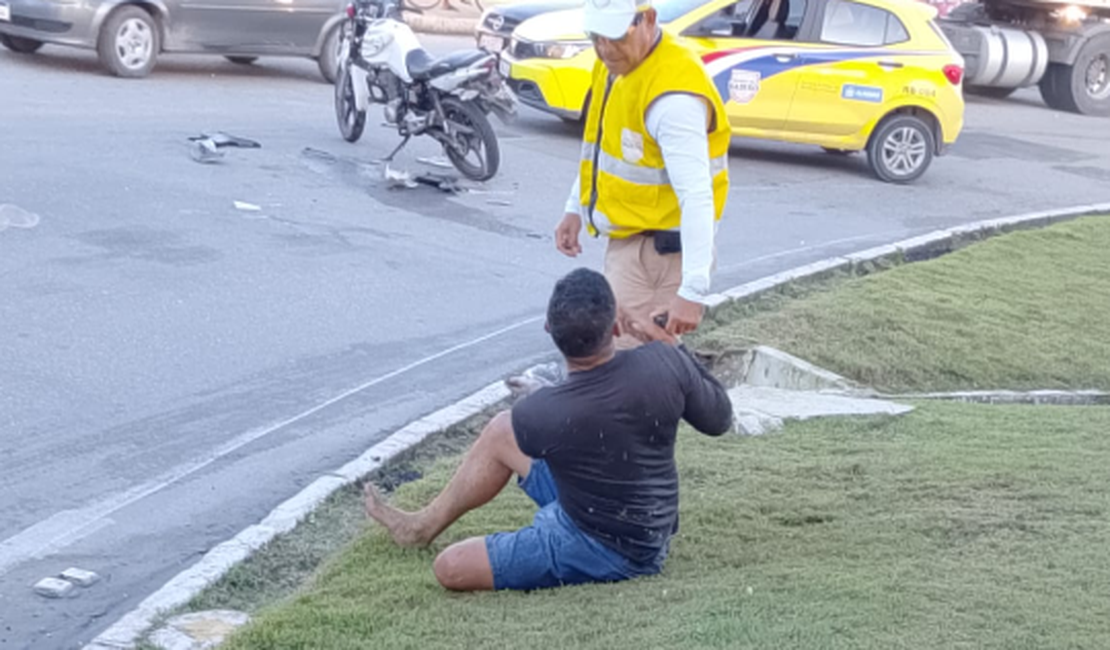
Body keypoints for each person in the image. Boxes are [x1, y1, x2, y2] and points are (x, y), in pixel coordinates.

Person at [364, 268, 734, 591]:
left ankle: (550, 538)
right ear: (617, 325)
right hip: (650, 527)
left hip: (608, 549)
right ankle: (420, 527)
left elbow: (582, 412)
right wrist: (670, 344)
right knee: (501, 429)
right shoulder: (665, 363)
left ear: (548, 330)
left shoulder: (542, 412)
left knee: (450, 567)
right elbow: (719, 420)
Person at [554, 0, 732, 349]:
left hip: (661, 257)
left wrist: (692, 291)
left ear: (648, 19)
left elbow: (696, 195)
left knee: (632, 367)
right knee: (625, 364)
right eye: (596, 37)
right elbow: (603, 151)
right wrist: (576, 206)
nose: (604, 49)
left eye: (615, 36)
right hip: (629, 241)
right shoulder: (613, 66)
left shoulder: (673, 97)